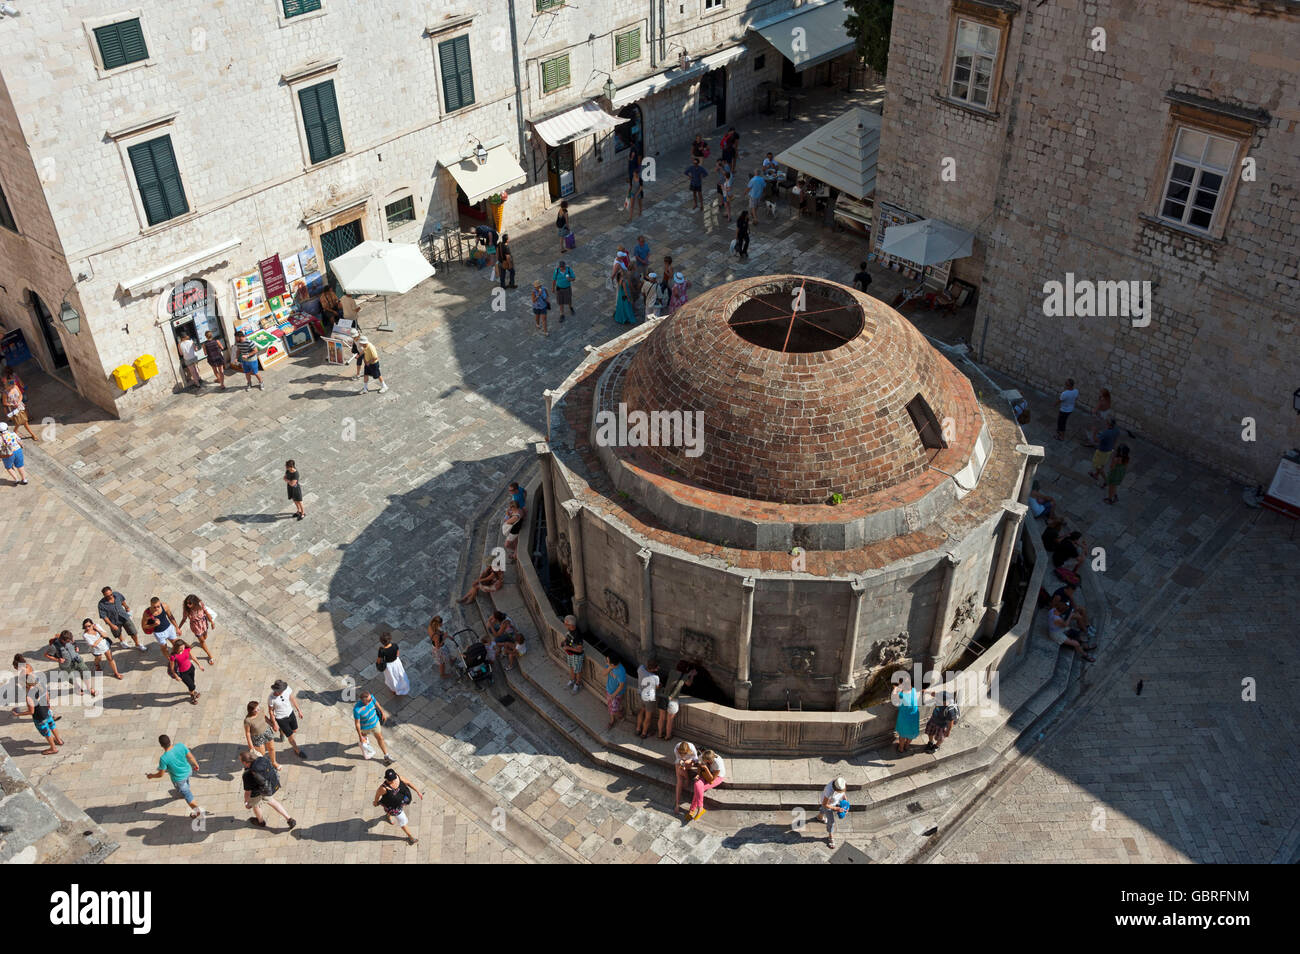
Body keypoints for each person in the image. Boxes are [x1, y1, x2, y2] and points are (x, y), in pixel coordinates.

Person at [147, 735, 203, 818]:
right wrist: (196, 764)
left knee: (188, 796)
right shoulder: (180, 746)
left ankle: (197, 811)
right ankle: (183, 791)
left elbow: (161, 774)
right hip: (188, 771)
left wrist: (151, 776)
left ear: (161, 745)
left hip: (179, 779)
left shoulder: (164, 758)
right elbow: (190, 757)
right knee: (186, 783)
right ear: (170, 741)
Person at [240, 749, 296, 830]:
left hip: (256, 792)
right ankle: (289, 819)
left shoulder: (247, 775)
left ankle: (261, 822)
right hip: (267, 788)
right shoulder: (261, 759)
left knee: (256, 806)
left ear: (245, 763)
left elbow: (247, 792)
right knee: (272, 802)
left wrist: (246, 802)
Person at [14, 676, 62, 755]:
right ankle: (59, 740)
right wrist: (47, 705)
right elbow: (47, 696)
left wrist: (18, 714)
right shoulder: (41, 685)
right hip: (47, 712)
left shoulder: (29, 696)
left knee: (47, 733)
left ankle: (53, 748)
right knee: (52, 726)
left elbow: (31, 711)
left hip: (39, 717)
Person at [374, 767, 423, 845]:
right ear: (386, 779)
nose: (392, 781)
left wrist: (418, 791)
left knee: (390, 811)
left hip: (401, 801)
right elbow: (377, 795)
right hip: (393, 807)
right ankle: (410, 837)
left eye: (393, 778)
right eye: (390, 780)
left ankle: (388, 815)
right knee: (403, 821)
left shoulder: (399, 777)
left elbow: (409, 783)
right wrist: (375, 802)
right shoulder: (383, 788)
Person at [44, 631, 96, 697]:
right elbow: (47, 655)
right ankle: (78, 687)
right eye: (68, 641)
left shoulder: (70, 639)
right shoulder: (54, 646)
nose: (70, 642)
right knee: (70, 678)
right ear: (62, 640)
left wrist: (76, 647)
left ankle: (89, 688)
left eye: (70, 640)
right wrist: (57, 659)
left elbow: (74, 643)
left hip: (77, 660)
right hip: (66, 665)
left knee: (85, 672)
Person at [268, 680, 308, 759]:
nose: (283, 691)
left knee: (295, 730)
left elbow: (292, 698)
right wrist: (274, 723)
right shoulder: (271, 698)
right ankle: (297, 751)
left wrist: (299, 710)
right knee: (291, 737)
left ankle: (282, 731)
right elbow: (271, 711)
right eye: (281, 690)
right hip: (281, 718)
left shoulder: (287, 689)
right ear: (276, 690)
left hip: (290, 713)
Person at [353, 689, 393, 764]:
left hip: (375, 724)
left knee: (380, 738)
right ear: (363, 701)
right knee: (363, 740)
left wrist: (382, 711)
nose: (371, 700)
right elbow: (357, 724)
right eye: (369, 700)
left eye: (371, 699)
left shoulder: (371, 697)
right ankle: (363, 743)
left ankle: (386, 755)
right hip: (364, 728)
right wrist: (360, 736)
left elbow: (376, 702)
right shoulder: (357, 709)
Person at [688, 749, 725, 821]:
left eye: (708, 762)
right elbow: (699, 766)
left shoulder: (718, 763)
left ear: (711, 760)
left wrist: (706, 768)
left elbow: (711, 780)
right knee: (697, 784)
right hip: (704, 773)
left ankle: (692, 809)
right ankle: (700, 807)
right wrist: (698, 775)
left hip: (717, 777)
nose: (705, 761)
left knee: (700, 788)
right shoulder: (702, 756)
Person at [1, 368, 37, 441]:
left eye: (14, 385)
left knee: (24, 422)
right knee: (19, 423)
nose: (14, 386)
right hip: (14, 410)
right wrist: (12, 405)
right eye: (12, 386)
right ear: (8, 385)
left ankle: (30, 434)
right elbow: (4, 403)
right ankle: (17, 434)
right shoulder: (5, 393)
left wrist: (19, 401)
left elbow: (20, 395)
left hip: (20, 407)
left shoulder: (16, 387)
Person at [244, 700, 280, 769]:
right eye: (256, 709)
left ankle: (274, 762)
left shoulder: (261, 710)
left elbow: (265, 717)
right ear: (251, 711)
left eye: (258, 707)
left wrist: (272, 725)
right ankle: (266, 766)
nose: (258, 709)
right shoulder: (247, 720)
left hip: (267, 732)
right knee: (262, 754)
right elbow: (247, 733)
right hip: (257, 737)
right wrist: (251, 746)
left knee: (271, 748)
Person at [180, 594, 216, 664]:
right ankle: (210, 656)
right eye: (187, 603)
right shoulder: (186, 610)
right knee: (202, 641)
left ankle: (201, 642)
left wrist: (212, 622)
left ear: (194, 602)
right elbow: (184, 619)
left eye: (190, 603)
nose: (188, 605)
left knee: (205, 637)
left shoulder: (200, 604)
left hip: (203, 623)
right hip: (195, 626)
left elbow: (206, 612)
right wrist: (178, 628)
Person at [167, 638, 203, 704]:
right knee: (192, 685)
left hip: (191, 668)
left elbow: (192, 657)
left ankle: (192, 691)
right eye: (181, 648)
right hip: (183, 673)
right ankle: (192, 697)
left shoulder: (187, 649)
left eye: (183, 646)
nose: (183, 649)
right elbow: (172, 668)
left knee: (192, 682)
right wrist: (176, 676)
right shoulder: (173, 656)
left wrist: (199, 665)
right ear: (176, 648)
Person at [892, 678, 921, 753]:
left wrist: (895, 689)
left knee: (902, 734)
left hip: (905, 717)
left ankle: (901, 748)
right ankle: (907, 745)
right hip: (914, 716)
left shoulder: (901, 694)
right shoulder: (914, 690)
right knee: (911, 733)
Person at [377, 632, 410, 697]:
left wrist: (378, 664)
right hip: (397, 663)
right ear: (390, 639)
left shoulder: (382, 650)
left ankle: (394, 690)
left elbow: (379, 660)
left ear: (381, 641)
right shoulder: (395, 645)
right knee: (400, 674)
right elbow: (397, 654)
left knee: (391, 678)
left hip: (389, 666)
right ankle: (403, 686)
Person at [819, 777, 849, 847]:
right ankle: (830, 836)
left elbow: (843, 793)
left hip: (833, 802)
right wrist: (836, 808)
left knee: (823, 810)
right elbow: (825, 804)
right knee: (831, 821)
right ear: (835, 789)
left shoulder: (840, 782)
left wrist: (846, 803)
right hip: (828, 804)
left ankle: (819, 817)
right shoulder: (829, 791)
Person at [672, 740, 699, 816]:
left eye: (684, 753)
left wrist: (689, 760)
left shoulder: (692, 747)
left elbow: (696, 759)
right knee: (679, 781)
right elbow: (677, 759)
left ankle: (687, 778)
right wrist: (681, 760)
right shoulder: (676, 748)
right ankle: (677, 803)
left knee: (680, 772)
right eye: (681, 753)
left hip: (690, 762)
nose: (682, 754)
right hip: (681, 763)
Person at [1089, 419, 1120, 483]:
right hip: (1109, 450)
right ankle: (1096, 475)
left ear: (1109, 425)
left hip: (1102, 452)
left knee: (1097, 466)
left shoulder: (1106, 433)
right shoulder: (1116, 429)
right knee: (1102, 464)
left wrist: (1094, 432)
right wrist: (1113, 448)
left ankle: (1106, 480)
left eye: (1107, 423)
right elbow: (1116, 439)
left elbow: (1095, 440)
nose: (1106, 424)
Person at [635, 659, 660, 739]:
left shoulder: (641, 668)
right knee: (648, 717)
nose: (658, 668)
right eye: (656, 667)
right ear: (653, 669)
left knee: (641, 712)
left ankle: (638, 729)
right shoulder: (655, 677)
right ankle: (644, 733)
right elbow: (657, 687)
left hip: (640, 694)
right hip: (649, 698)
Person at [561, 615, 585, 694]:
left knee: (577, 671)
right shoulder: (570, 628)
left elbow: (580, 649)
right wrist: (564, 641)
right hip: (570, 653)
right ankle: (572, 679)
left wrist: (568, 648)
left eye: (566, 624)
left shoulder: (578, 635)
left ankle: (577, 684)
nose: (565, 625)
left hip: (577, 655)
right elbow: (568, 635)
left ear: (571, 625)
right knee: (571, 667)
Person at [603, 655, 627, 729]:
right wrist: (609, 667)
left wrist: (613, 695)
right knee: (611, 707)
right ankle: (617, 716)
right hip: (609, 690)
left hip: (616, 694)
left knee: (612, 709)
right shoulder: (610, 666)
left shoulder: (621, 671)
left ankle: (615, 719)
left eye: (607, 661)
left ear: (613, 664)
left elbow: (621, 686)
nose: (606, 662)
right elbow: (603, 674)